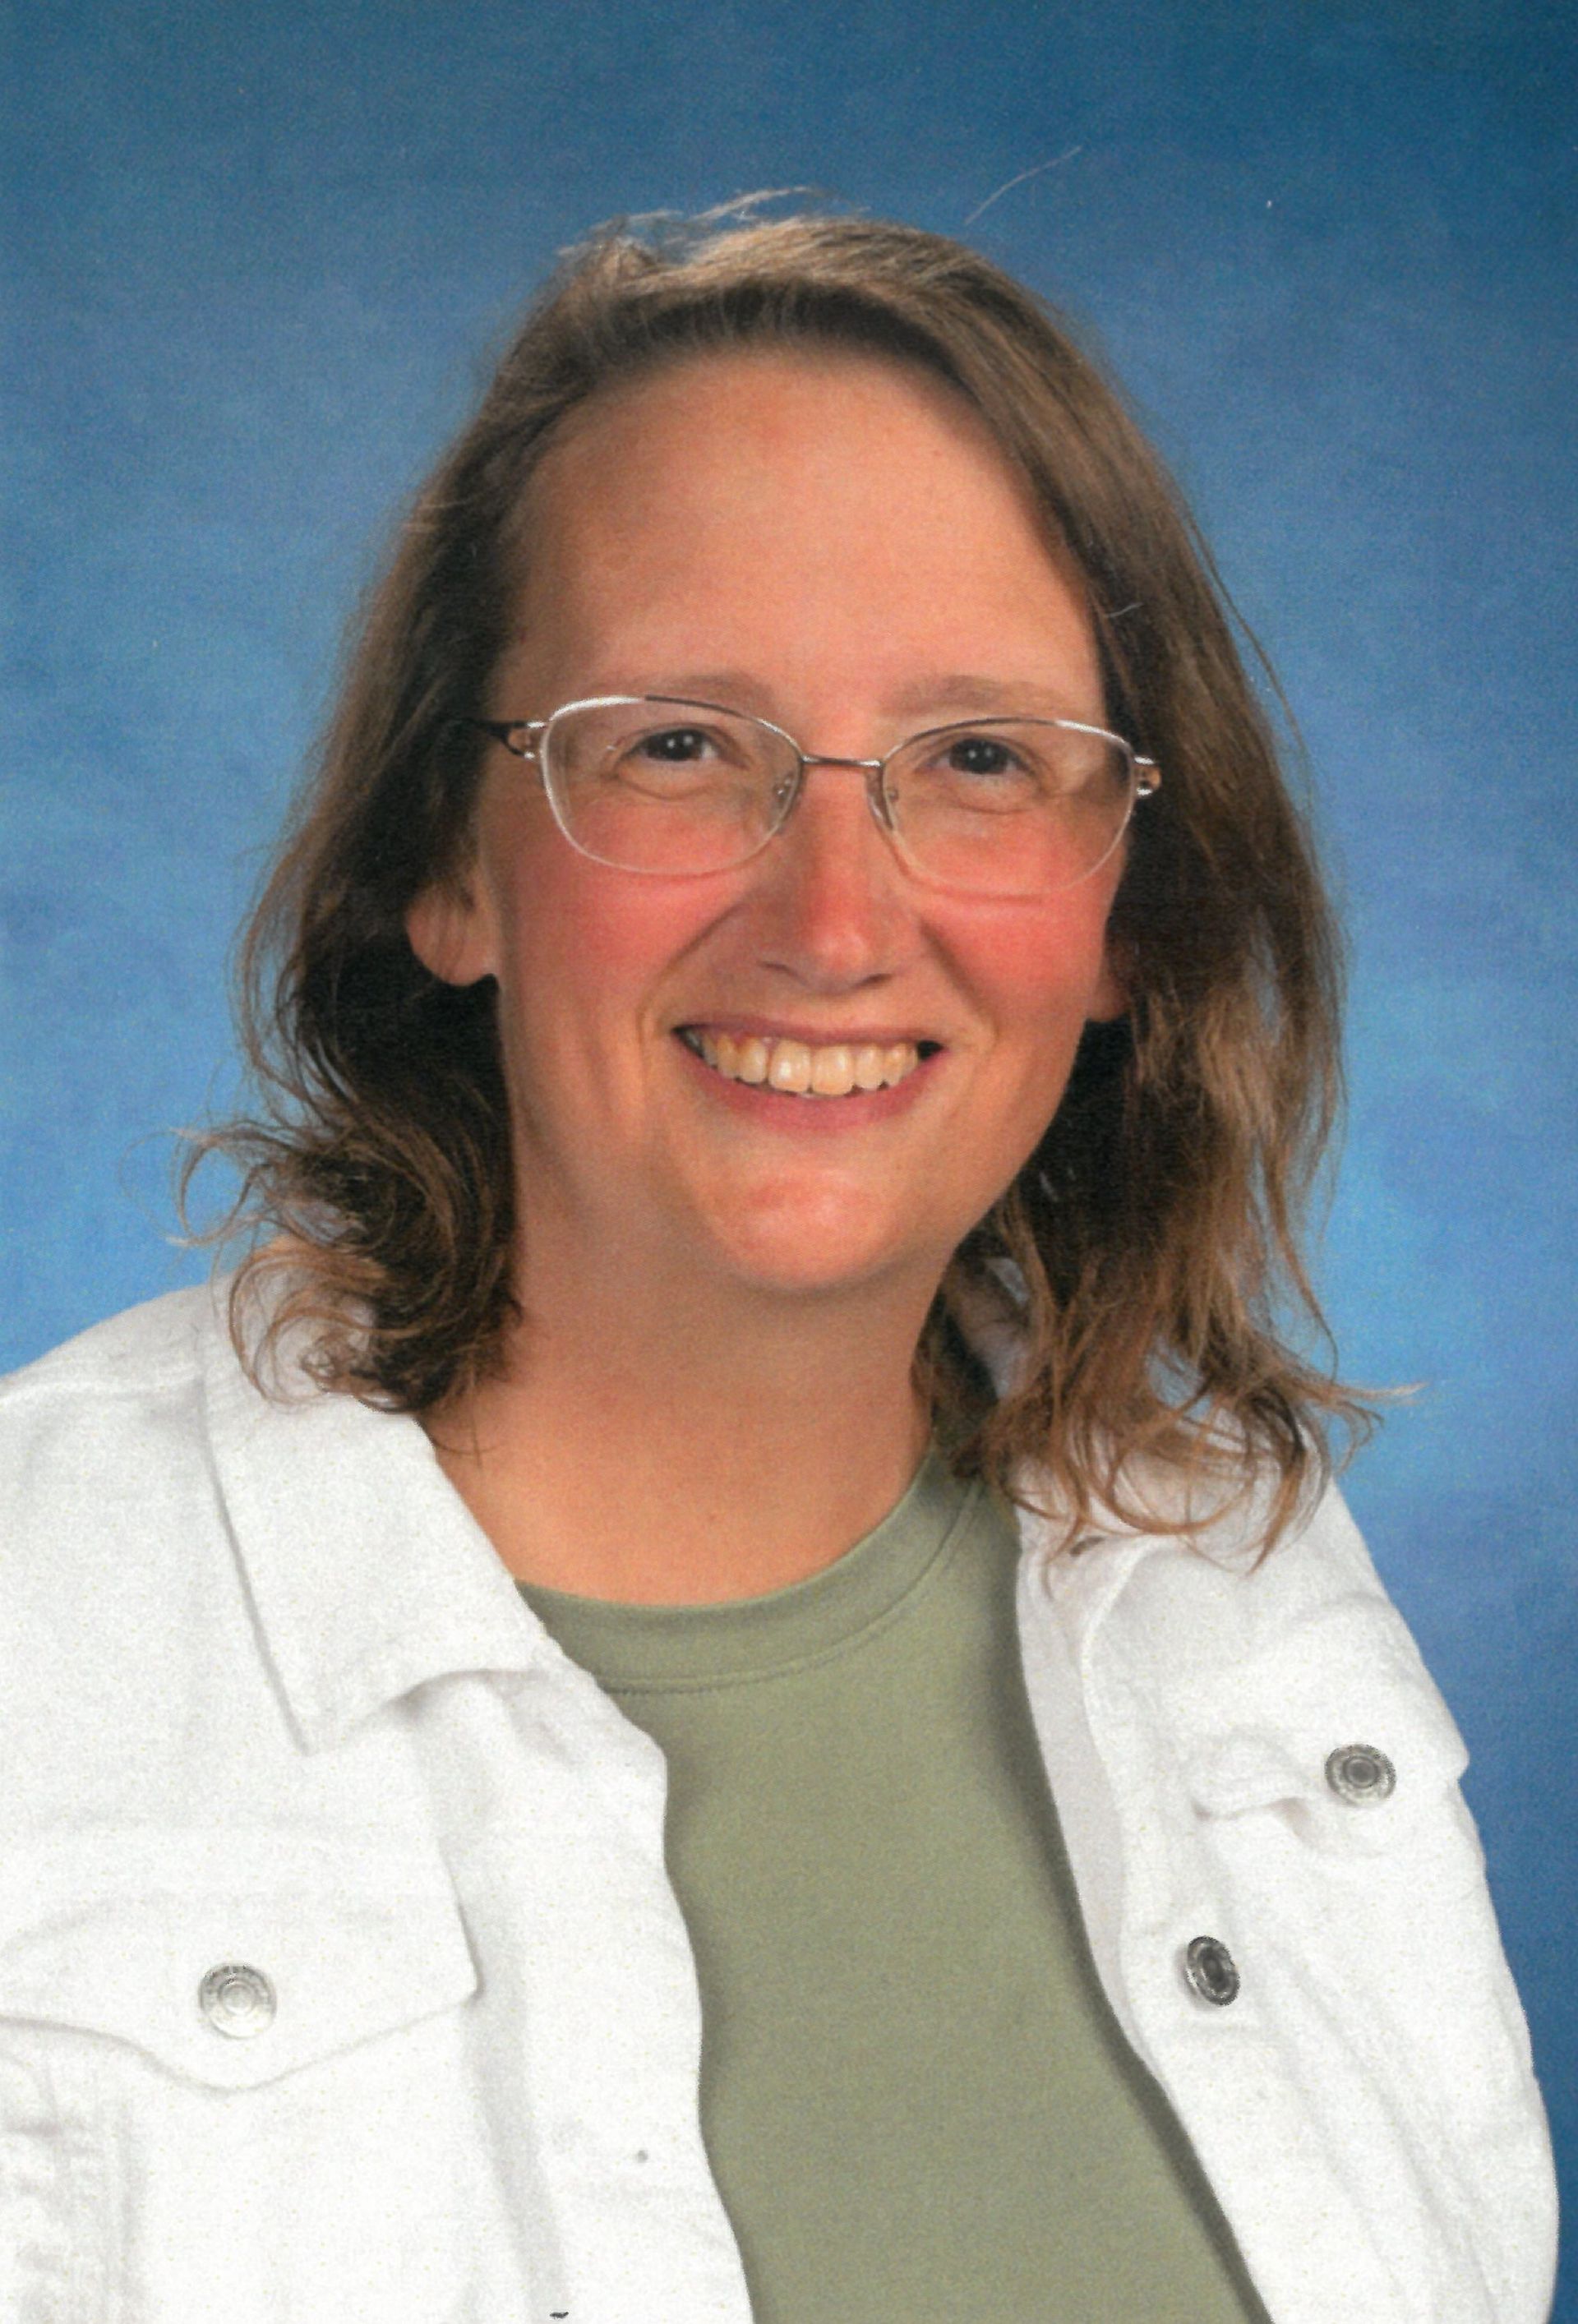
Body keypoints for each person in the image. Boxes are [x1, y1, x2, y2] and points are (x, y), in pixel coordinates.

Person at [0, 207, 1556, 2324]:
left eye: (982, 761)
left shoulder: (1237, 1591)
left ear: (1119, 917)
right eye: (673, 743)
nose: (835, 916)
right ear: (445, 866)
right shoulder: (42, 1647)